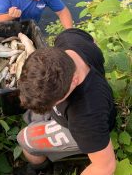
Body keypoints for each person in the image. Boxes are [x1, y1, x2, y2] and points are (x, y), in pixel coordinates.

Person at [15, 28, 117, 175]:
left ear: (74, 81)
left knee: (24, 140)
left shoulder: (86, 116)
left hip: (78, 127)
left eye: (54, 102)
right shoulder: (69, 39)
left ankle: (42, 169)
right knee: (29, 117)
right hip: (72, 112)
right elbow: (92, 42)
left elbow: (105, 166)